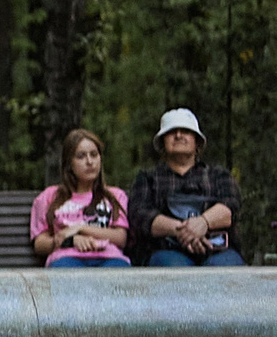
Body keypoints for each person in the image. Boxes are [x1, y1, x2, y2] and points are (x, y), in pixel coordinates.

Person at [129, 108, 245, 267]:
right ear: (162, 141)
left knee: (227, 270)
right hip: (166, 252)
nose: (178, 135)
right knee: (174, 271)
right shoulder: (148, 178)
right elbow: (140, 215)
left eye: (185, 131)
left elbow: (230, 207)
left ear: (197, 141)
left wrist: (204, 223)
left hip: (218, 251)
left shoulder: (218, 175)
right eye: (172, 132)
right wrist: (185, 230)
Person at [32, 128, 132, 268]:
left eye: (94, 155)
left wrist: (80, 228)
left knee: (120, 274)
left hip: (109, 258)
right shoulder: (49, 196)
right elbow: (40, 243)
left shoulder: (115, 196)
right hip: (67, 258)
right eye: (81, 156)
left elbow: (120, 238)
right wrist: (71, 240)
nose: (90, 161)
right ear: (69, 164)